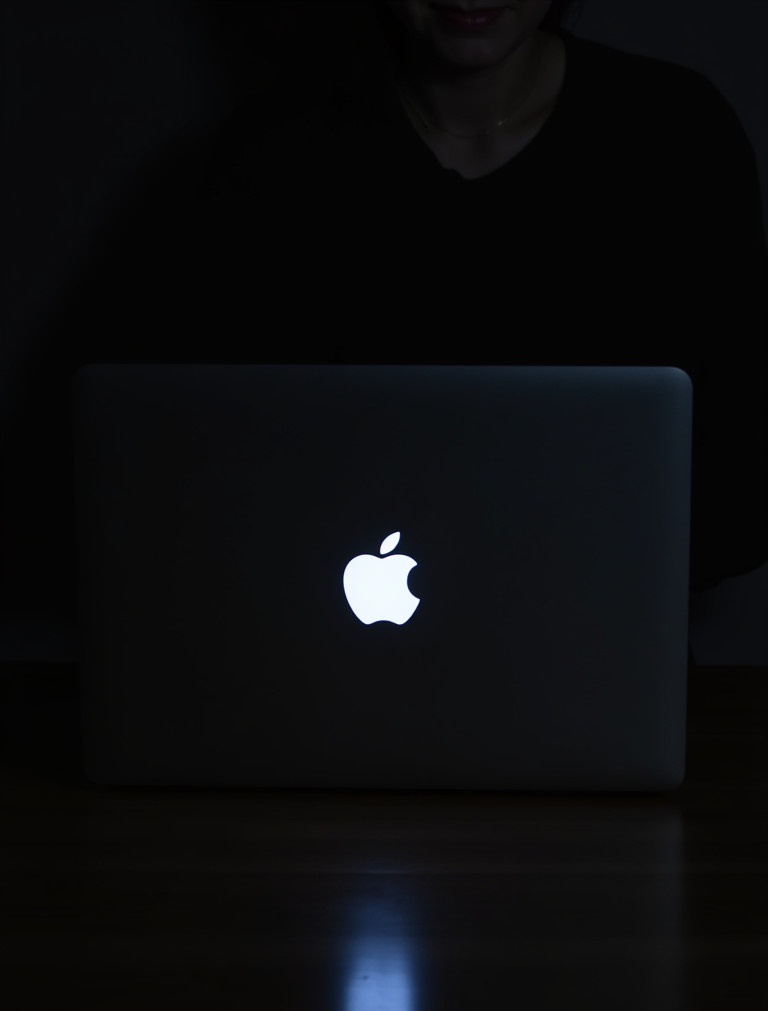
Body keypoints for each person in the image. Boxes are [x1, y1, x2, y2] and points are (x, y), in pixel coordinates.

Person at [3, 0, 766, 621]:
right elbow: (187, 483)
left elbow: (736, 497)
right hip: (313, 676)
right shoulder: (271, 161)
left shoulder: (677, 136)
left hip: (592, 668)